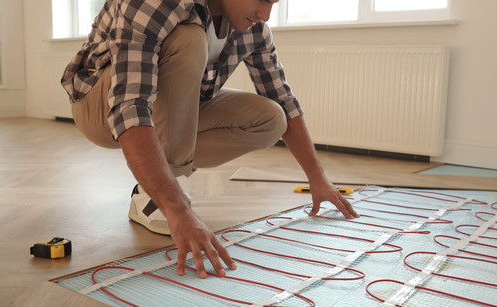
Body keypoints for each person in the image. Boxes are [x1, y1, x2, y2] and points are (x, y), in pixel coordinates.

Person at [61, 0, 358, 279]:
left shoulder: (254, 30)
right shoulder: (155, 3)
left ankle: (158, 183)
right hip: (99, 105)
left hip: (165, 111)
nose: (265, 14)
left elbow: (284, 99)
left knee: (272, 119)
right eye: (262, 0)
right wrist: (179, 211)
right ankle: (156, 197)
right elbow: (129, 105)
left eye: (274, 4)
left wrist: (317, 178)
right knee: (188, 40)